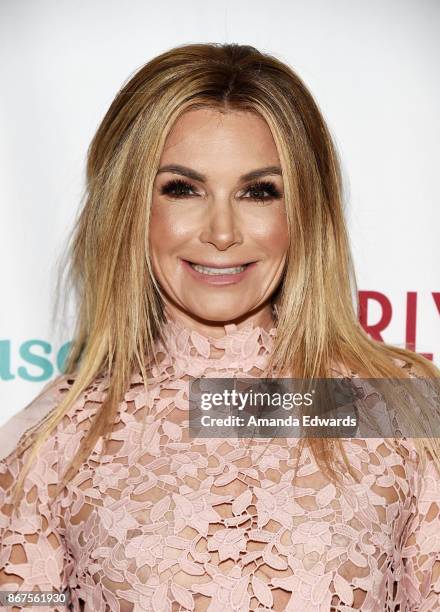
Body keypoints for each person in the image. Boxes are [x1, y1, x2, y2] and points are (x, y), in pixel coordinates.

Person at [1, 42, 440, 611]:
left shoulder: (400, 407)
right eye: (182, 188)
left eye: (259, 192)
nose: (223, 231)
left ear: (304, 210)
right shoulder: (50, 445)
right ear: (131, 206)